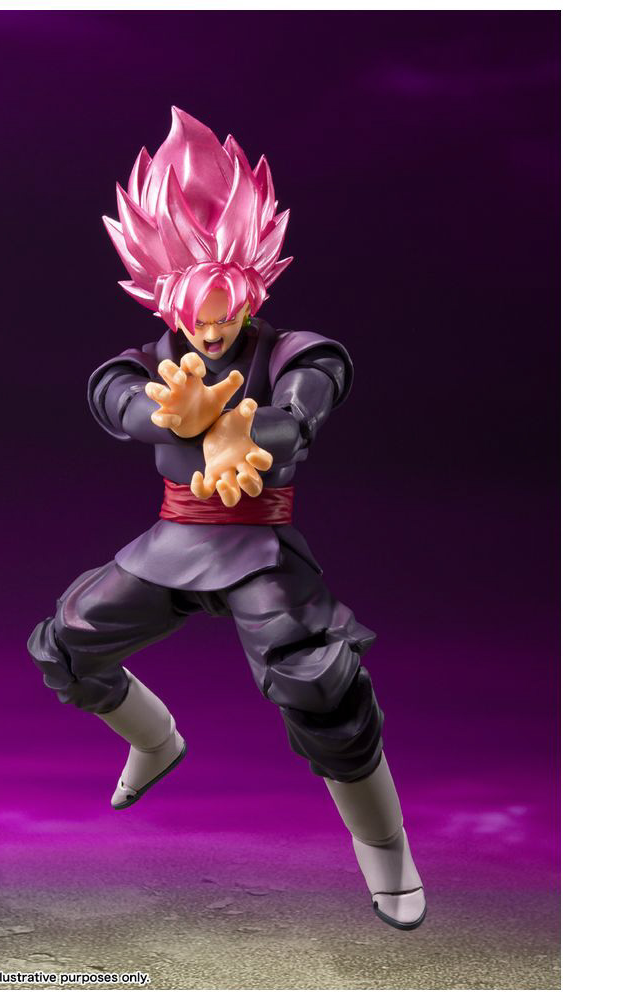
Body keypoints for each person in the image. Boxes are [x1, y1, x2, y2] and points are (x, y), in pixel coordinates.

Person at [27, 108, 426, 929]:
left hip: (260, 554)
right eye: (195, 317)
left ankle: (386, 850)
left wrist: (250, 433)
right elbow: (117, 401)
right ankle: (156, 741)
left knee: (321, 687)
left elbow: (305, 408)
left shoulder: (292, 351)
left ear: (254, 291)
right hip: (173, 543)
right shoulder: (149, 361)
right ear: (164, 298)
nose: (211, 332)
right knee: (67, 645)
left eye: (226, 314)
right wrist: (174, 417)